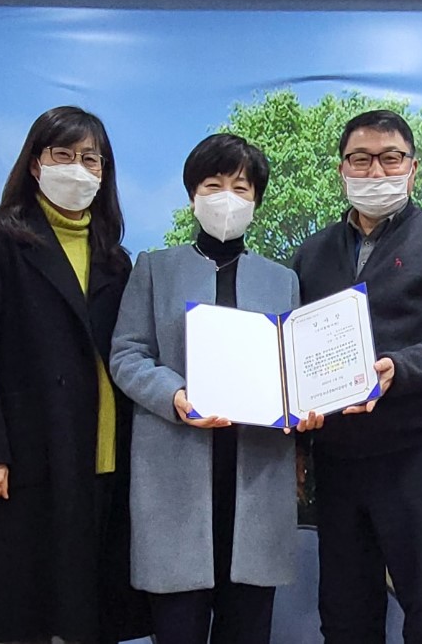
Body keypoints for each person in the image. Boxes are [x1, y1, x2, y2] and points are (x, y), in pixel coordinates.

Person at [0, 106, 149, 644]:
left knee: (84, 615)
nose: (78, 168)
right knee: (16, 614)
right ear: (36, 163)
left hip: (99, 458)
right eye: (64, 154)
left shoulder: (115, 259)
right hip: (22, 457)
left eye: (91, 158)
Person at [110, 133, 321, 644]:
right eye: (214, 184)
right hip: (175, 474)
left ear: (256, 200)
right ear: (192, 195)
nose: (228, 197)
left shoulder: (282, 280)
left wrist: (306, 406)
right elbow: (127, 355)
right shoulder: (155, 268)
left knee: (247, 628)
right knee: (177, 628)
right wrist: (176, 396)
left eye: (242, 187)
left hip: (257, 474)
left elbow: (295, 368)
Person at [291, 109, 422, 644]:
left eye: (390, 158)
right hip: (338, 459)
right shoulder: (311, 253)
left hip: (417, 453)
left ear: (413, 167)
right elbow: (290, 346)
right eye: (361, 158)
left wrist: (399, 370)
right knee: (344, 611)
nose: (375, 171)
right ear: (341, 170)